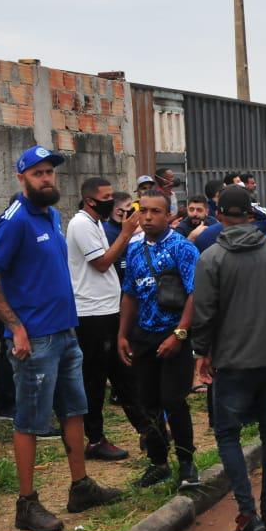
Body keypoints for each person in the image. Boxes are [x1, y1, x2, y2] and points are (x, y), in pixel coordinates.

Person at [0, 146, 122, 531]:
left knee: (74, 410)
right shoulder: (14, 222)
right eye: (37, 173)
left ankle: (81, 487)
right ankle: (26, 505)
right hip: (35, 341)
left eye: (50, 172)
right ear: (21, 177)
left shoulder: (52, 215)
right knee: (30, 422)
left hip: (65, 333)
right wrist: (17, 328)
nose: (46, 178)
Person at [191, 186, 266, 531]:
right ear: (252, 215)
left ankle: (246, 513)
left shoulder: (211, 258)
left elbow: (204, 314)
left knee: (228, 434)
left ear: (219, 215)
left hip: (231, 363)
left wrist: (201, 353)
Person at [118, 192, 201, 489]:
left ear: (169, 216)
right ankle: (158, 462)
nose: (149, 217)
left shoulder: (183, 248)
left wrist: (179, 334)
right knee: (147, 402)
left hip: (174, 335)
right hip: (143, 336)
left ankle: (187, 464)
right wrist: (122, 334)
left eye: (156, 212)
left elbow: (195, 293)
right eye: (144, 211)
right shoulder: (134, 250)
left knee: (173, 401)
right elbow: (130, 293)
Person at [66, 178, 147, 461]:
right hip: (92, 313)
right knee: (95, 378)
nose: (111, 201)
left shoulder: (95, 222)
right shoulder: (80, 225)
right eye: (106, 197)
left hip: (108, 309)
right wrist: (125, 234)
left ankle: (147, 429)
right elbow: (101, 263)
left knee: (124, 372)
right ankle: (95, 439)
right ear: (90, 200)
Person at [102, 191, 133, 281]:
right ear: (119, 211)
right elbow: (115, 263)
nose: (132, 209)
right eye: (128, 206)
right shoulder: (108, 232)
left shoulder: (125, 228)